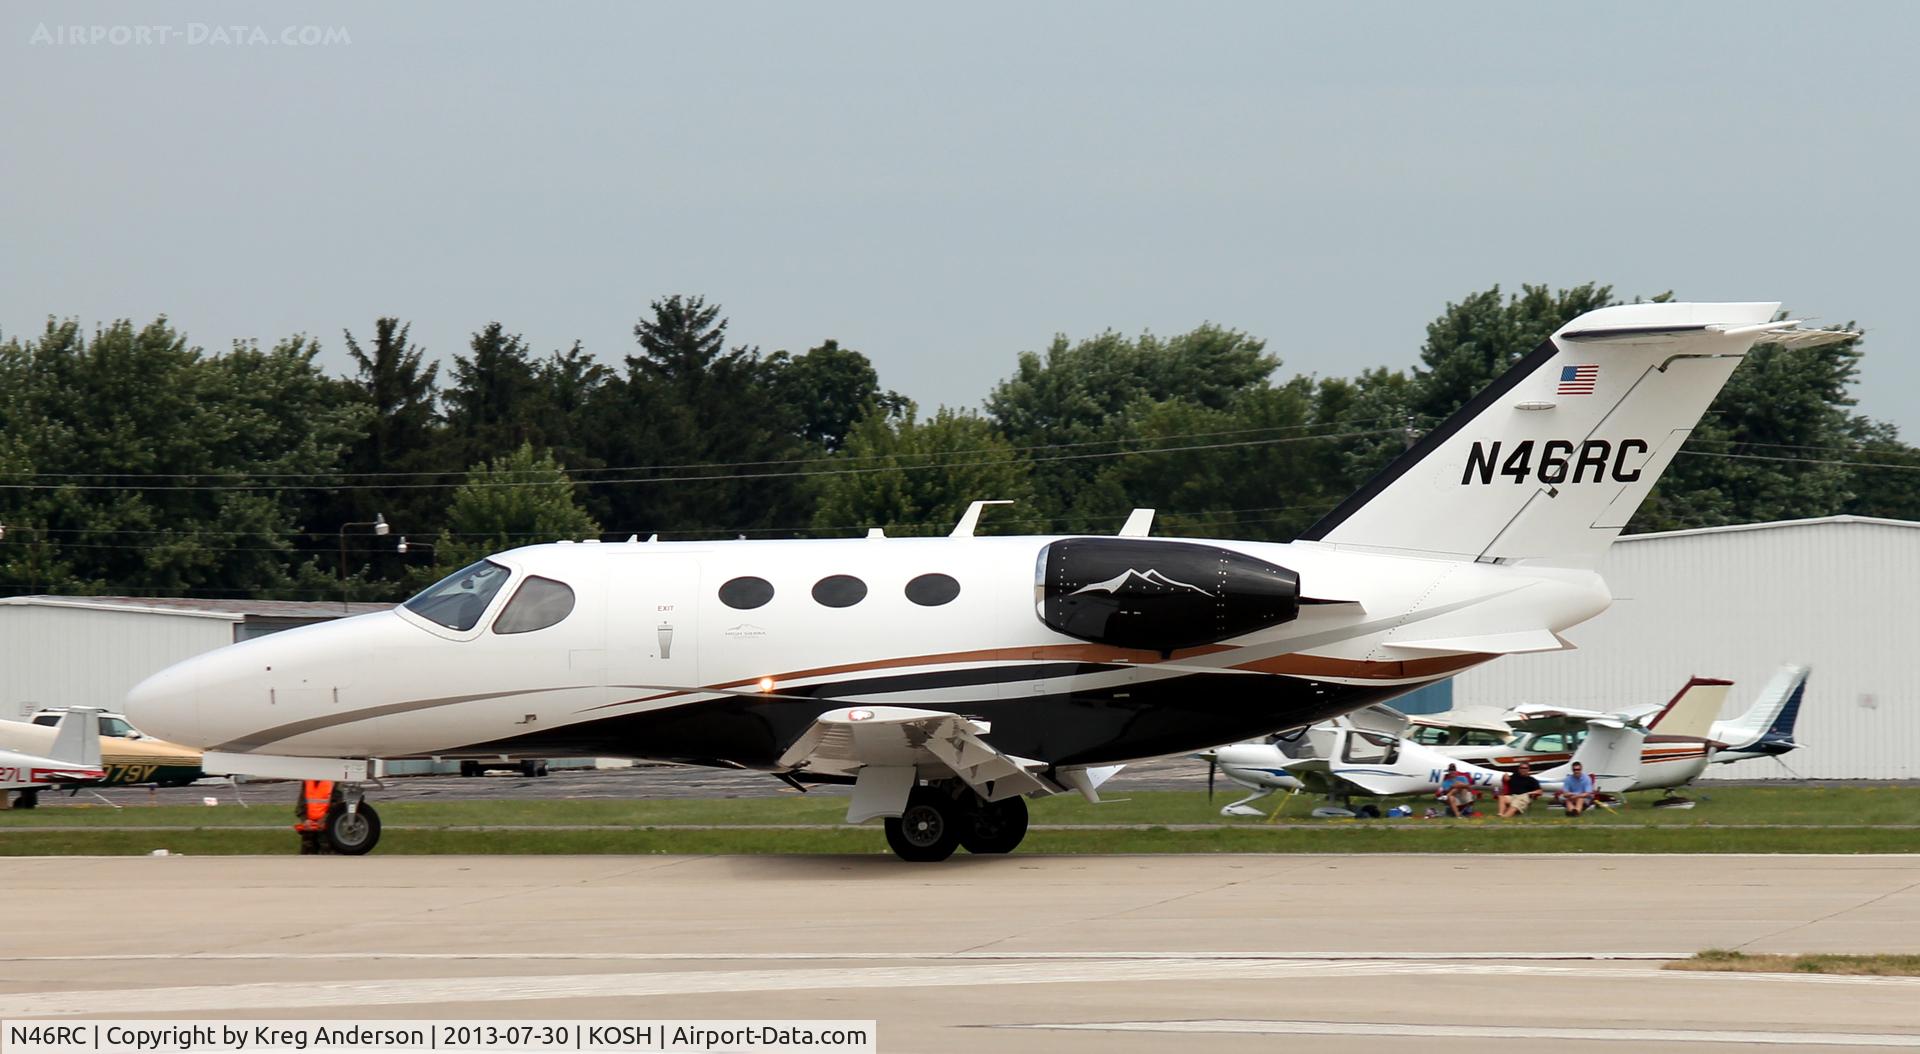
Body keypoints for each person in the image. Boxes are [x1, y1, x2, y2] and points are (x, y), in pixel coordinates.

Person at [294, 779, 335, 854]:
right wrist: (305, 820)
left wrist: (325, 819)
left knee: (328, 856)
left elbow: (337, 806)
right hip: (309, 829)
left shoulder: (333, 780)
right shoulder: (307, 781)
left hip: (326, 830)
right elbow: (301, 805)